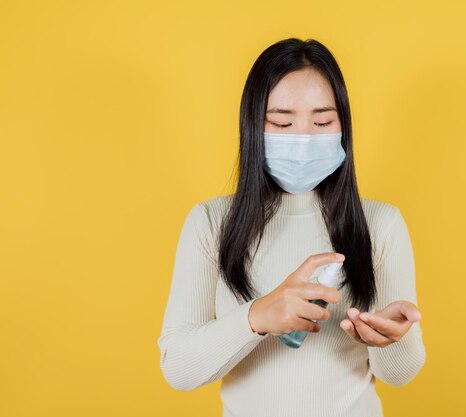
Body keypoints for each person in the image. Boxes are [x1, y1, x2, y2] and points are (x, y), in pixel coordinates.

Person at [157, 37, 427, 417]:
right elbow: (179, 369)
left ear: (343, 126)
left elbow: (400, 375)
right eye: (282, 122)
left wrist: (392, 339)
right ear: (253, 126)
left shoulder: (381, 224)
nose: (303, 138)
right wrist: (258, 317)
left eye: (322, 121)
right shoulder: (211, 223)